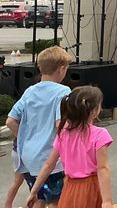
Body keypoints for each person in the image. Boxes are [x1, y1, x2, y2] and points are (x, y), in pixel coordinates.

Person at [25, 86, 113, 208]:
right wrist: (107, 201)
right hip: (91, 188)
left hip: (70, 188)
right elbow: (102, 168)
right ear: (94, 111)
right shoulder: (99, 134)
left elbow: (48, 165)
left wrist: (34, 191)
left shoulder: (63, 134)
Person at [6, 45, 72, 208]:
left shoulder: (30, 91)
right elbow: (60, 124)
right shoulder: (63, 91)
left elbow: (10, 121)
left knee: (39, 197)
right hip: (49, 158)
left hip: (28, 158)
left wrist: (25, 137)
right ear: (61, 69)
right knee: (56, 201)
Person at [4, 141, 25, 208]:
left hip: (17, 151)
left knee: (17, 181)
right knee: (36, 182)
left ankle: (7, 205)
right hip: (22, 152)